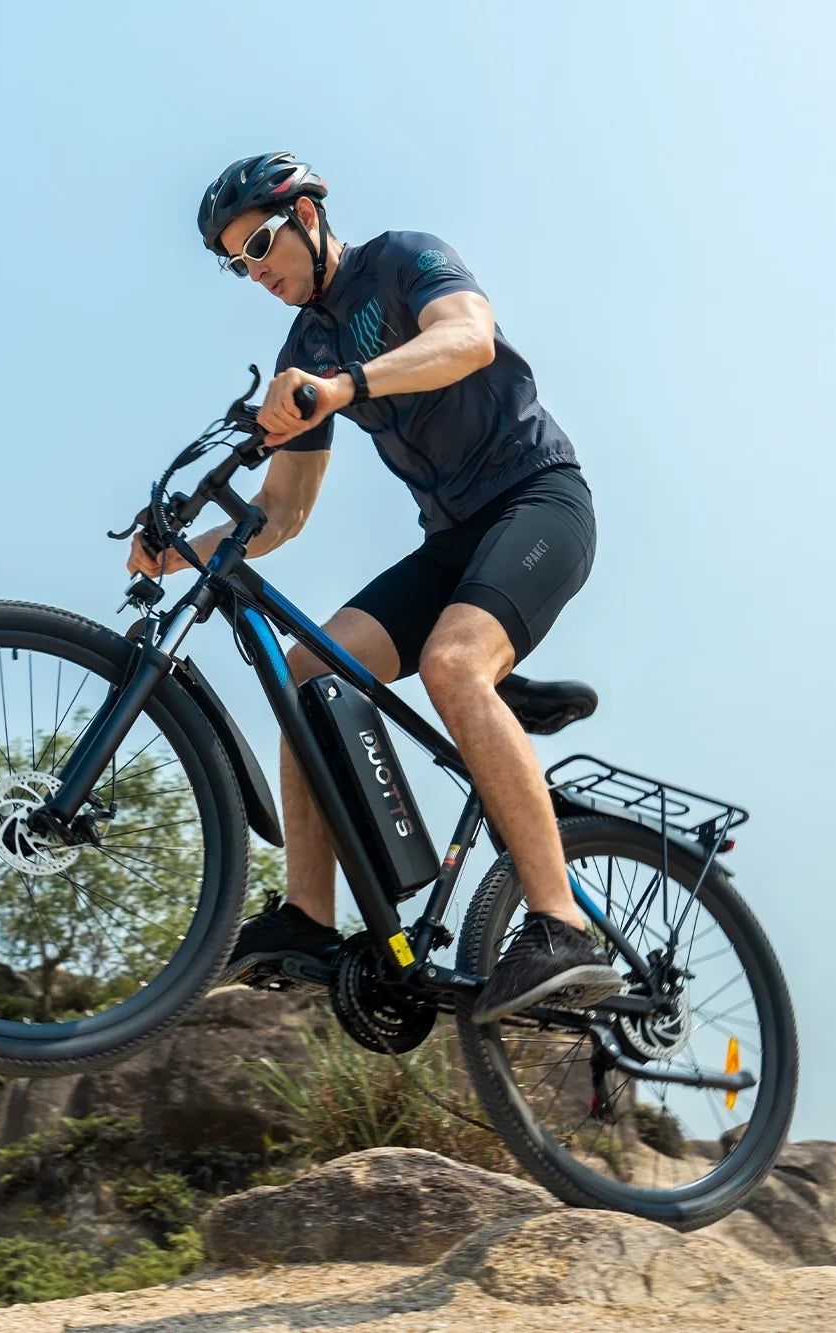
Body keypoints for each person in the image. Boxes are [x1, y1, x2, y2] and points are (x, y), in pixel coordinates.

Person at [128, 151, 620, 1024]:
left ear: (307, 215)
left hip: (538, 501)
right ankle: (310, 917)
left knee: (452, 663)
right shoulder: (303, 348)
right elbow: (282, 513)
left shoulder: (403, 258)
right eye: (239, 263)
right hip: (452, 542)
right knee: (304, 673)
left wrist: (343, 386)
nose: (256, 270)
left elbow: (468, 338)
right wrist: (178, 550)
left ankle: (562, 926)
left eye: (261, 244)